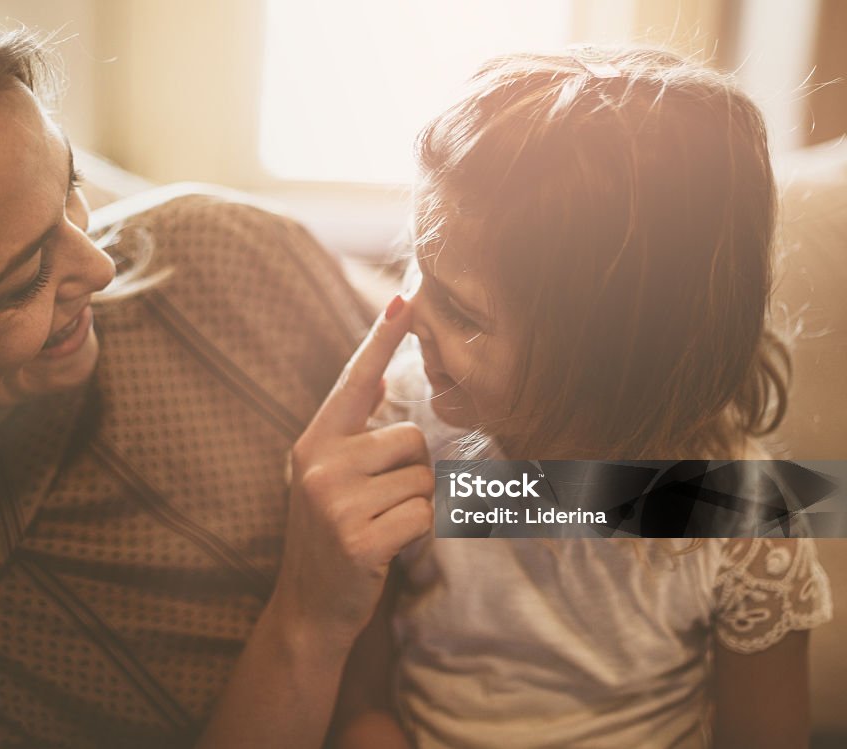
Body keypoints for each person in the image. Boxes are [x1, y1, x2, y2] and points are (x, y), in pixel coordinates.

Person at [0, 2, 435, 746]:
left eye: (70, 189)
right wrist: (305, 622)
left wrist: (612, 500)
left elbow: (491, 465)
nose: (103, 265)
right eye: (26, 276)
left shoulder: (214, 254)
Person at [329, 49, 834, 748]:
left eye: (462, 311)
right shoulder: (401, 437)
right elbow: (360, 705)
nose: (411, 314)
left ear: (612, 363)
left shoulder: (732, 512)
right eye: (420, 266)